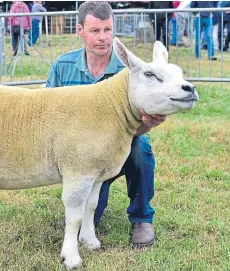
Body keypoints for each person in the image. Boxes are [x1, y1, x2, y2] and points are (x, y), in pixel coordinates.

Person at [46, 1, 167, 248]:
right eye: (95, 31)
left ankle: (142, 218)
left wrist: (149, 123)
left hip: (117, 149)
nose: (103, 38)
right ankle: (90, 202)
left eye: (108, 30)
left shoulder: (133, 71)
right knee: (91, 219)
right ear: (80, 31)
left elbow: (134, 127)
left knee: (141, 148)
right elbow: (46, 118)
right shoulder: (63, 67)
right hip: (79, 158)